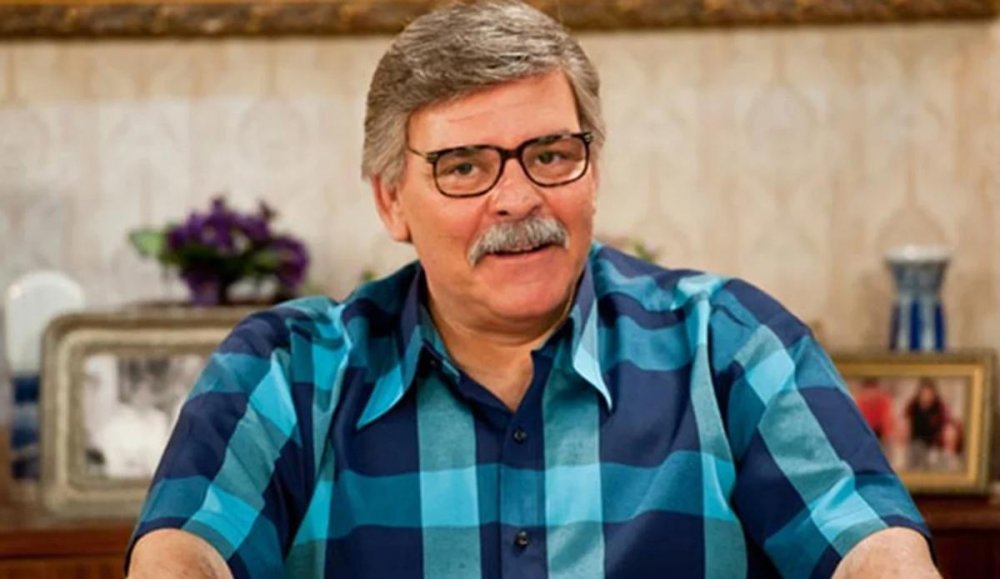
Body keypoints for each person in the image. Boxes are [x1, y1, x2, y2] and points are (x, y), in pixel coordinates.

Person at [127, 2, 939, 577]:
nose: (518, 199)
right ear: (391, 200)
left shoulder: (728, 341)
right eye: (465, 167)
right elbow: (184, 552)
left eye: (550, 154)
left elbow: (873, 547)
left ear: (594, 170)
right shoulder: (287, 370)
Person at [904, 378, 950, 470]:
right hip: (914, 443)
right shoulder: (912, 407)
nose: (926, 396)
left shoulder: (940, 409)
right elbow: (906, 424)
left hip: (934, 446)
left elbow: (943, 427)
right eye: (924, 393)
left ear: (934, 394)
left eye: (929, 394)